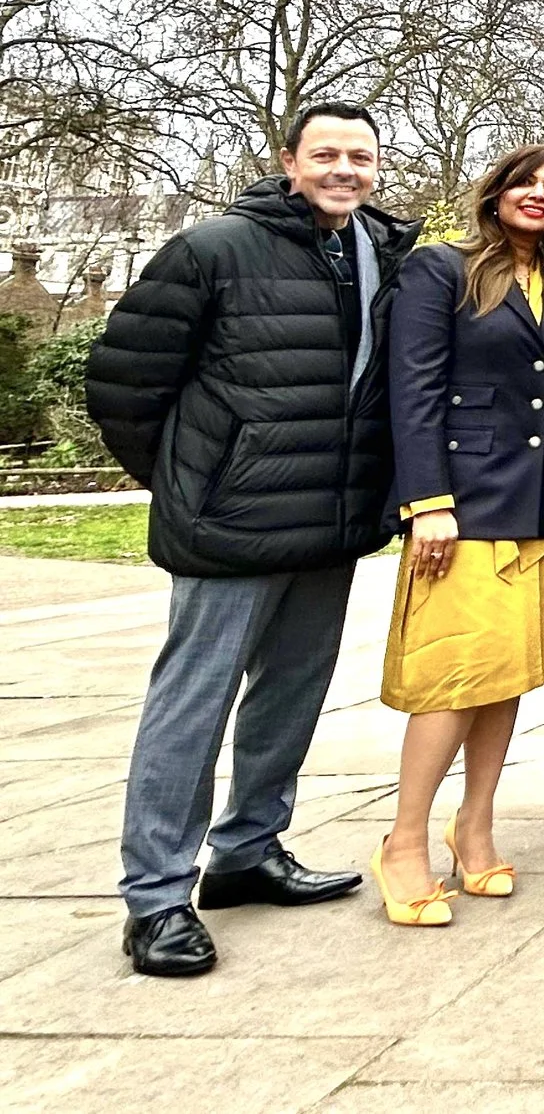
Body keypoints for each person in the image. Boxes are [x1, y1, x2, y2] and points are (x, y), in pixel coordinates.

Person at [86, 103, 415, 978]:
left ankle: (248, 849)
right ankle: (156, 895)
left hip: (328, 521)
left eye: (361, 155)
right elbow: (124, 381)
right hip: (231, 523)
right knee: (191, 704)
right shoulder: (215, 248)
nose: (345, 168)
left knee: (290, 696)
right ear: (290, 160)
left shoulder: (381, 252)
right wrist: (195, 481)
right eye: (328, 154)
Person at [373, 146, 544, 925]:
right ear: (495, 193)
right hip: (465, 505)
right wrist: (428, 499)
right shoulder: (443, 269)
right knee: (452, 676)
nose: (538, 195)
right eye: (525, 183)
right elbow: (416, 387)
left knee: (503, 675)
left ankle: (474, 824)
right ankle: (404, 841)